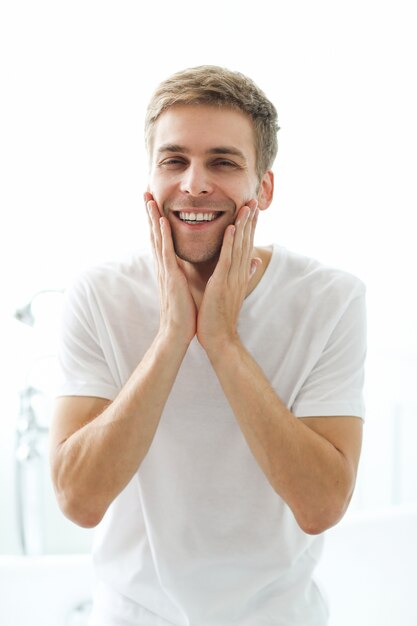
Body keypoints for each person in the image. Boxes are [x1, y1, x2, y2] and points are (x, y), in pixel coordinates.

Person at [50, 65, 366, 626]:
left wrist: (221, 341)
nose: (194, 183)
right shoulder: (99, 295)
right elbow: (79, 500)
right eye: (174, 160)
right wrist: (174, 334)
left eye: (223, 161)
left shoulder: (329, 300)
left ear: (263, 188)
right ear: (150, 179)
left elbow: (322, 507)